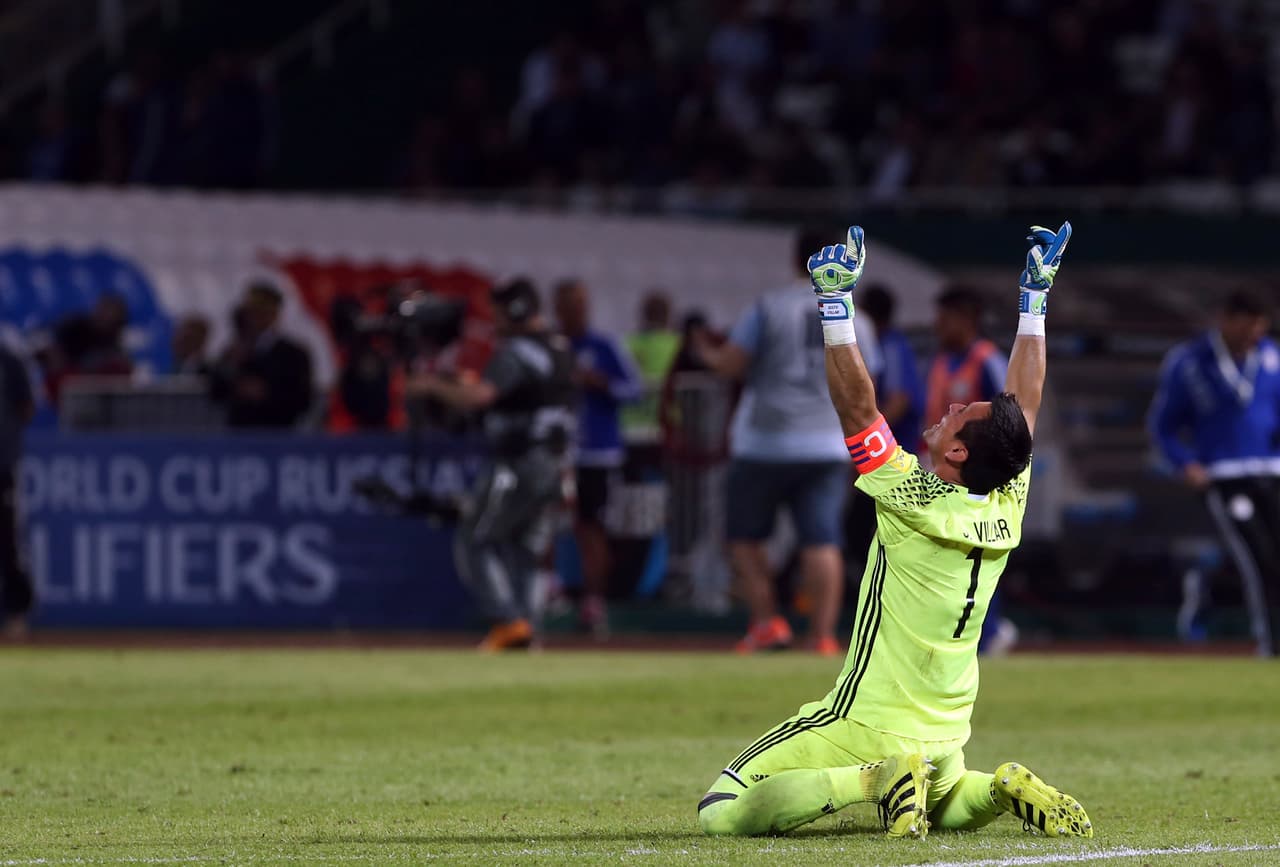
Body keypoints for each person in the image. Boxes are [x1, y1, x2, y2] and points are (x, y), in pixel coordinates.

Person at [697, 223, 1093, 841]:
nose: (953, 407)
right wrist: (1033, 301)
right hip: (949, 730)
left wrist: (834, 305)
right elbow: (1025, 405)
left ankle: (870, 782)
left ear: (959, 454)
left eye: (963, 414)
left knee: (719, 809)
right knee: (949, 799)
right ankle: (996, 787)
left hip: (869, 720)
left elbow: (857, 409)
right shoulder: (1008, 495)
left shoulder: (910, 494)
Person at [692, 229, 881, 656]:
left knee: (744, 535)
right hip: (831, 444)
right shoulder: (860, 318)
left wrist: (705, 353)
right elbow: (868, 381)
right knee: (823, 540)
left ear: (796, 259)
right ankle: (823, 637)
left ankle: (766, 622)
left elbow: (732, 365)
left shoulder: (769, 307)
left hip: (764, 441)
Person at [411, 278, 575, 651]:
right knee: (527, 550)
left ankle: (507, 620)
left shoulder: (517, 352)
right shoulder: (558, 347)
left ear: (516, 310)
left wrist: (432, 386)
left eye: (498, 313)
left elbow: (481, 397)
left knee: (475, 538)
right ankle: (528, 632)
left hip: (518, 460)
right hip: (555, 460)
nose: (494, 321)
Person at [1148, 290, 1280, 657]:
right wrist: (1184, 462)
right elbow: (1163, 425)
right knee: (1257, 556)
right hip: (1224, 476)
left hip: (1273, 471)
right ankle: (1270, 641)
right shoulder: (1190, 362)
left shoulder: (1272, 358)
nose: (1256, 332)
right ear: (1227, 319)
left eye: (1261, 324)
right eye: (1249, 322)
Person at [927, 286, 1017, 655]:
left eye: (945, 317)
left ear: (966, 319)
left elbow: (1010, 416)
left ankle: (989, 632)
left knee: (975, 552)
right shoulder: (940, 362)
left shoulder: (986, 360)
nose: (937, 325)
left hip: (974, 474)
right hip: (938, 469)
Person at [553, 278, 642, 636]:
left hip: (597, 454)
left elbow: (634, 390)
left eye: (581, 304)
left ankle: (593, 603)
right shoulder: (552, 347)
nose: (577, 311)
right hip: (556, 451)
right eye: (569, 305)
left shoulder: (604, 346)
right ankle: (549, 590)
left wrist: (600, 383)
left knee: (592, 529)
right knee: (545, 521)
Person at [846, 284, 926, 572]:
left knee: (865, 529)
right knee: (860, 529)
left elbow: (899, 401)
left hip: (892, 461)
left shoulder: (891, 347)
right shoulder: (887, 344)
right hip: (883, 459)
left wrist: (863, 442)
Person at [212, 283, 314, 428]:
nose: (254, 318)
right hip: (238, 435)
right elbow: (216, 391)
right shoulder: (234, 350)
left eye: (261, 311)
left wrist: (267, 394)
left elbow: (303, 400)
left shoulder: (293, 354)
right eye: (251, 312)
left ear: (274, 313)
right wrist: (231, 368)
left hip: (278, 434)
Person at [0, 343, 35, 635]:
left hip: (2, 466)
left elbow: (26, 407)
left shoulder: (8, 360)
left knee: (7, 540)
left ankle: (16, 612)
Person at [622, 290, 681, 437]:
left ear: (643, 315)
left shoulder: (627, 344)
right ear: (668, 316)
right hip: (670, 426)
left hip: (631, 425)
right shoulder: (679, 345)